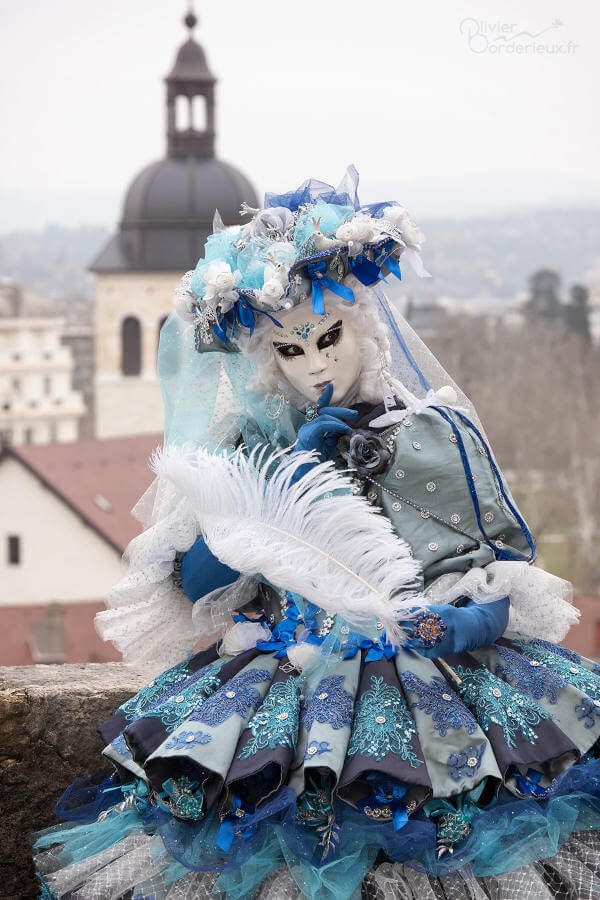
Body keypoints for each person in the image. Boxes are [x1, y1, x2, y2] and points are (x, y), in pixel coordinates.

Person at [34, 168, 600, 900]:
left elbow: (493, 584)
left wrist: (455, 626)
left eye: (328, 338)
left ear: (360, 325)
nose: (317, 364)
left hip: (433, 689)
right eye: (290, 352)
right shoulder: (251, 453)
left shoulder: (431, 437)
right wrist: (282, 484)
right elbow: (197, 583)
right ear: (266, 362)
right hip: (283, 685)